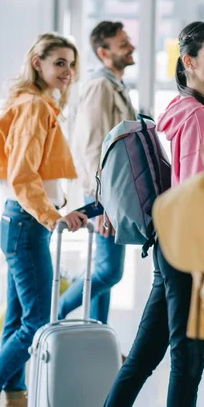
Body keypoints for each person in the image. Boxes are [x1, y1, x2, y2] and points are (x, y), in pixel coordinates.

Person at [71, 22, 204, 407]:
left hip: (179, 246)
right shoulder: (192, 113)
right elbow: (191, 191)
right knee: (187, 358)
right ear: (188, 61)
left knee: (146, 355)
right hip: (189, 246)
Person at [0, 33, 88, 407]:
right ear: (38, 62)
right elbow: (22, 174)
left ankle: (14, 406)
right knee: (35, 321)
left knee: (17, 317)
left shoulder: (36, 104)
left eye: (71, 64)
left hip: (20, 221)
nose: (68, 72)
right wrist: (53, 216)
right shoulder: (35, 106)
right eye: (60, 63)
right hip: (27, 222)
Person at [58, 21, 136, 324]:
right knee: (109, 272)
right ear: (103, 52)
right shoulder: (100, 86)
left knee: (104, 273)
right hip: (106, 195)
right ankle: (52, 317)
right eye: (122, 43)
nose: (131, 47)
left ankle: (97, 337)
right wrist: (102, 202)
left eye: (128, 40)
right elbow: (91, 148)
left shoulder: (115, 84)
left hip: (115, 193)